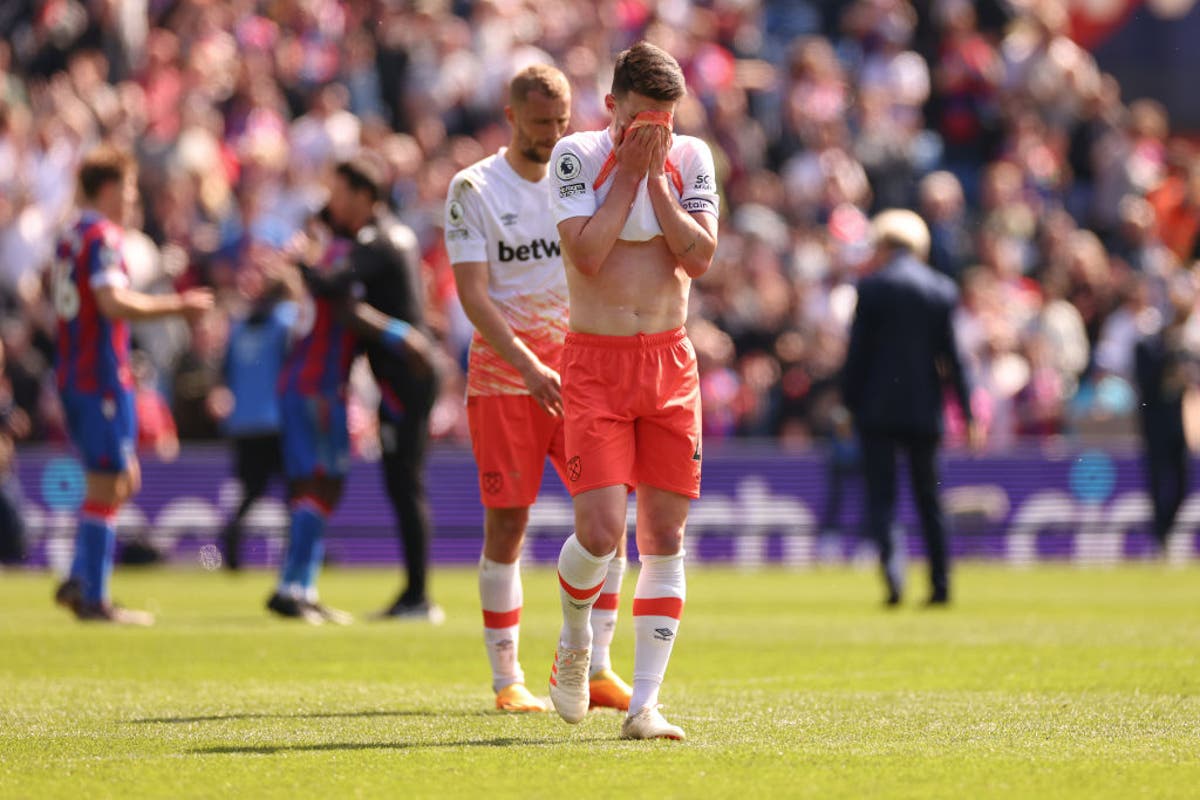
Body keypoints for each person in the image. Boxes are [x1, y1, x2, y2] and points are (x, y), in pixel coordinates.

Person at [446, 64, 633, 713]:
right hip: (506, 379)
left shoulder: (579, 173)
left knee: (607, 521)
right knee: (508, 523)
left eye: (561, 122)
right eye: (539, 125)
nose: (553, 136)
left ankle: (599, 667)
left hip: (582, 376)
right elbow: (473, 296)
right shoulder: (473, 188)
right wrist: (528, 364)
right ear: (510, 117)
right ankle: (508, 682)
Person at [547, 42, 720, 740]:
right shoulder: (577, 157)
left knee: (665, 536)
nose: (658, 135)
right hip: (595, 362)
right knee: (599, 533)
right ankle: (573, 639)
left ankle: (645, 705)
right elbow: (586, 256)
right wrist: (627, 172)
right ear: (611, 104)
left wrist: (655, 182)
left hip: (669, 361)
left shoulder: (693, 158)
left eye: (666, 123)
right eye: (642, 120)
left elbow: (700, 257)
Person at [51, 143, 213, 624]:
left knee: (124, 479)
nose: (129, 198)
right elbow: (111, 302)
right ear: (105, 189)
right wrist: (178, 307)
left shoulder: (70, 235)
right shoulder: (102, 234)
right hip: (97, 375)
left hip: (78, 372)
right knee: (109, 482)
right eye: (125, 188)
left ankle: (79, 579)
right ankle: (94, 599)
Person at [267, 205, 434, 624]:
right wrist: (404, 336)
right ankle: (296, 589)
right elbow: (351, 314)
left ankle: (296, 584)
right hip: (319, 388)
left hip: (304, 385)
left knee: (315, 484)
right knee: (323, 483)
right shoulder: (334, 273)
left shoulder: (316, 275)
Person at [304, 154, 441, 622]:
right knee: (402, 482)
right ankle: (415, 593)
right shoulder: (389, 234)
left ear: (364, 196)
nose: (332, 204)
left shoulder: (377, 240)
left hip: (406, 375)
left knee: (406, 483)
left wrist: (300, 263)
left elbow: (329, 284)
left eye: (340, 194)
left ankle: (419, 596)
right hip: (404, 373)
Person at [841, 209, 979, 608]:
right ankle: (940, 584)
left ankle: (895, 576)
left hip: (877, 410)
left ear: (884, 245)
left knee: (883, 498)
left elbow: (857, 357)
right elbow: (953, 360)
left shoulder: (872, 288)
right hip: (924, 409)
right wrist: (967, 413)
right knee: (929, 499)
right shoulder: (940, 288)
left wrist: (846, 408)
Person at [209, 255, 295, 571]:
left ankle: (231, 545)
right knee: (294, 492)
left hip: (244, 422)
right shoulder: (286, 320)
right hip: (277, 421)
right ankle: (296, 555)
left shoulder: (240, 327)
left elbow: (225, 373)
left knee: (250, 490)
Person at [1134, 274, 1198, 553]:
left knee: (1182, 482)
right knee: (1158, 481)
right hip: (1156, 424)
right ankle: (1160, 537)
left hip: (1180, 423)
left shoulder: (1186, 348)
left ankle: (1165, 533)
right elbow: (1147, 383)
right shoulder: (1148, 346)